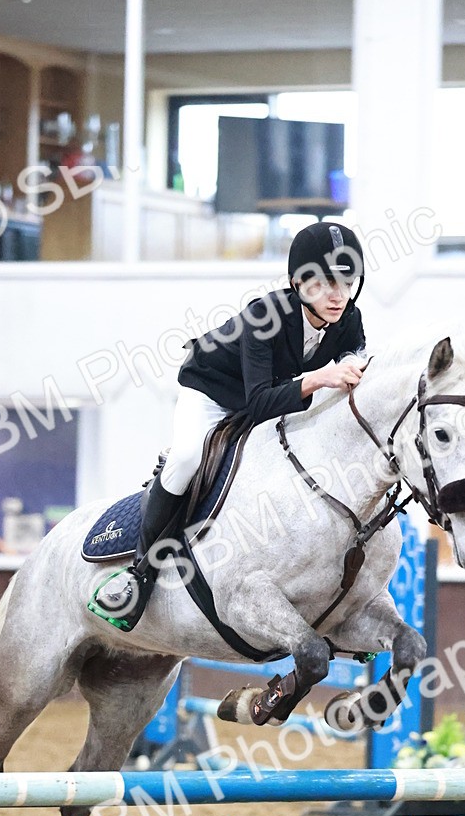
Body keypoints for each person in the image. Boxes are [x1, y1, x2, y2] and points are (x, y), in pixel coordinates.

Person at [93, 220, 368, 631]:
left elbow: (353, 367)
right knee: (187, 457)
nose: (337, 294)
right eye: (325, 282)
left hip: (273, 395)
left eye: (346, 282)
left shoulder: (349, 319)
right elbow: (258, 403)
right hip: (211, 393)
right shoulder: (264, 315)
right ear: (298, 282)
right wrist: (320, 378)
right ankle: (140, 575)